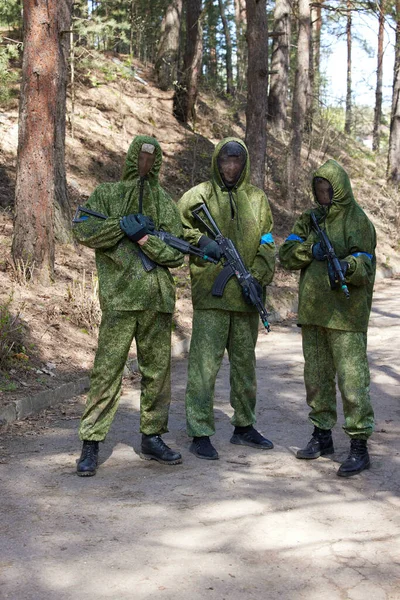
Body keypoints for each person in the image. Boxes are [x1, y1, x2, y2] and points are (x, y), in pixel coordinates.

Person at [73, 135, 184, 476]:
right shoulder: (108, 195)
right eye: (142, 156)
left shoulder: (164, 202)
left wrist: (145, 240)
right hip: (120, 299)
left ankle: (152, 437)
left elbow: (177, 253)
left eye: (153, 158)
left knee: (158, 374)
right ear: (132, 157)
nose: (146, 164)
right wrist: (119, 226)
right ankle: (90, 444)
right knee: (107, 372)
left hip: (157, 301)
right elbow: (83, 231)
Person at [178, 137, 276, 460]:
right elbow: (179, 230)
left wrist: (258, 276)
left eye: (236, 161)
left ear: (244, 163)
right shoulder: (199, 195)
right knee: (204, 368)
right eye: (225, 161)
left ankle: (244, 426)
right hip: (211, 297)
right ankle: (200, 431)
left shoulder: (257, 199)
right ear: (217, 162)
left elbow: (267, 241)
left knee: (245, 367)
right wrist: (203, 241)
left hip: (246, 300)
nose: (230, 167)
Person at [279, 159, 376, 477]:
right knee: (316, 379)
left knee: (352, 382)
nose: (323, 195)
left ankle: (359, 445)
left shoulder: (357, 220)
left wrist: (347, 265)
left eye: (328, 190)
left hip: (346, 316)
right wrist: (311, 250)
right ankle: (322, 435)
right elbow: (287, 254)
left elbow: (366, 265)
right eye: (319, 190)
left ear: (341, 190)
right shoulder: (308, 219)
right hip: (313, 313)